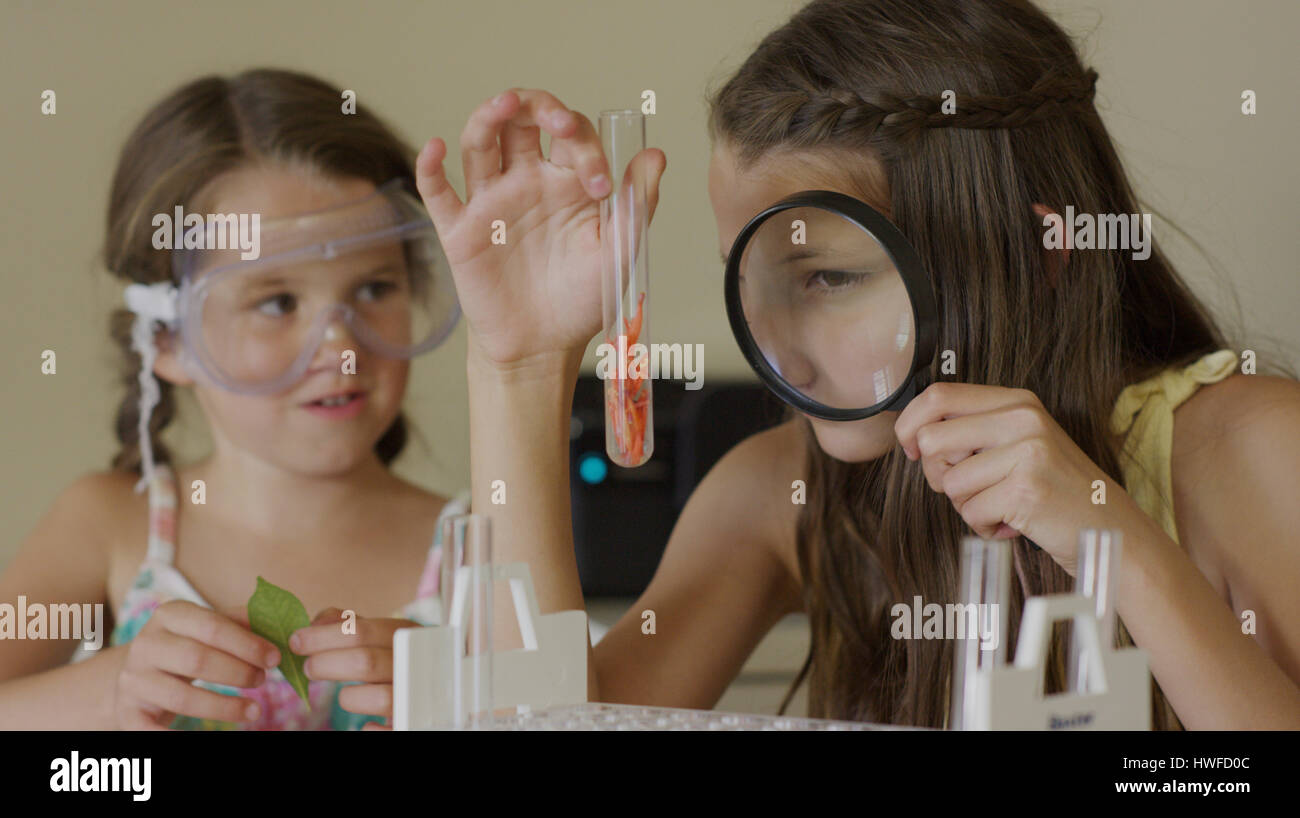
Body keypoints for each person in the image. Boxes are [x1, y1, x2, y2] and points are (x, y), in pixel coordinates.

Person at [413, 0, 1300, 728]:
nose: (778, 347)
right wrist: (519, 364)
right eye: (752, 278)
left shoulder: (1247, 449)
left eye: (829, 276)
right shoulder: (772, 492)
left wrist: (1115, 542)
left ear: (1037, 250)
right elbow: (551, 726)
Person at [0, 69, 468, 730]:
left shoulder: (475, 552)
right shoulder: (107, 523)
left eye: (374, 289)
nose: (340, 348)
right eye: (277, 302)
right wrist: (108, 694)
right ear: (166, 338)